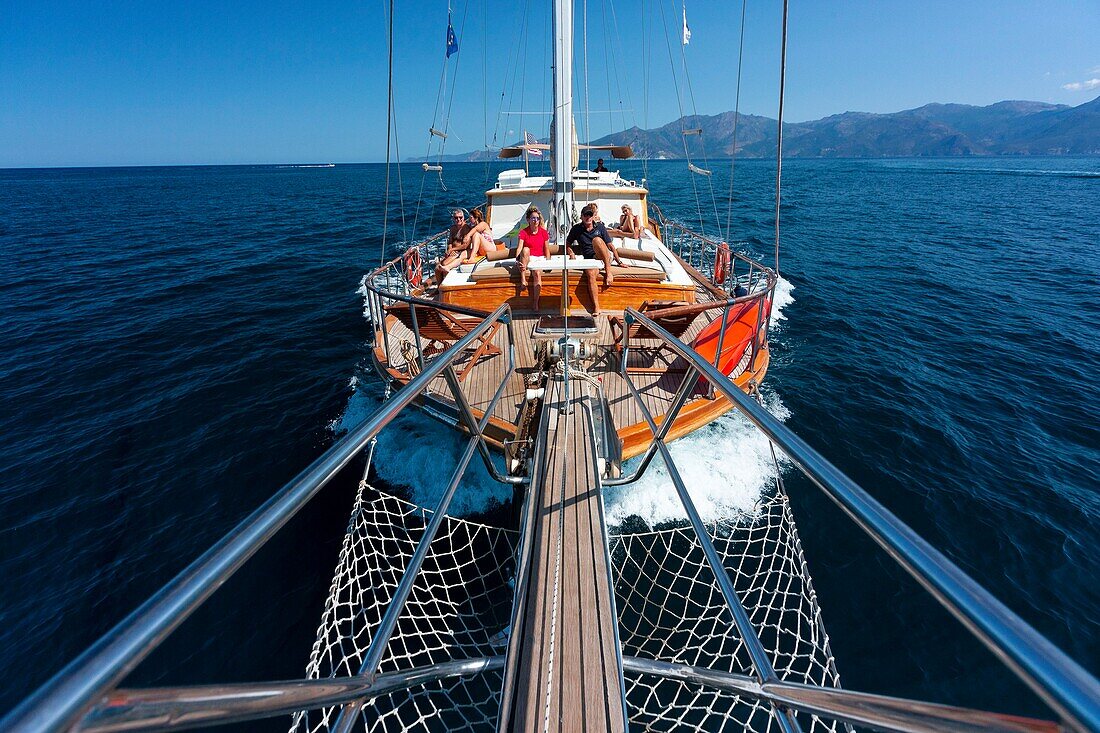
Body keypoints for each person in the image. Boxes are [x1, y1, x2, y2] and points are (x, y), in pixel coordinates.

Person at [565, 204, 617, 315]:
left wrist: (619, 261)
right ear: (581, 217)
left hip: (605, 256)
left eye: (590, 215)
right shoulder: (576, 229)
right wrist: (571, 252)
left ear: (593, 216)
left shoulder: (600, 227)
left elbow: (610, 245)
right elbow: (567, 243)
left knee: (597, 240)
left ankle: (609, 272)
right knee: (590, 274)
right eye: (585, 215)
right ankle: (596, 307)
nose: (588, 217)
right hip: (591, 259)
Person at [516, 206, 549, 309]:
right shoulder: (523, 232)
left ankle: (535, 302)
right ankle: (523, 279)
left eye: (537, 218)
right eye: (533, 218)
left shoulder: (543, 232)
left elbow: (547, 249)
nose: (535, 220)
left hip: (540, 258)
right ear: (528, 220)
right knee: (525, 249)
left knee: (537, 273)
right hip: (528, 258)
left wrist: (548, 263)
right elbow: (519, 248)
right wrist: (517, 259)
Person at [434, 209, 473, 283]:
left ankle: (445, 285)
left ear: (463, 217)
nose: (458, 219)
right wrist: (449, 249)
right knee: (436, 268)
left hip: (461, 252)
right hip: (453, 252)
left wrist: (452, 250)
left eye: (460, 217)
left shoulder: (466, 229)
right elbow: (450, 242)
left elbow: (465, 246)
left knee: (445, 264)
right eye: (456, 218)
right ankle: (438, 288)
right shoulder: (453, 228)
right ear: (453, 219)